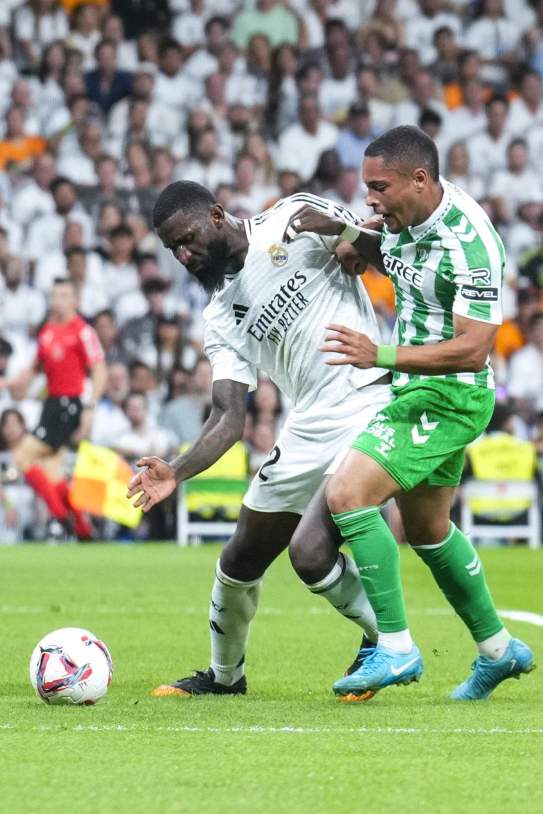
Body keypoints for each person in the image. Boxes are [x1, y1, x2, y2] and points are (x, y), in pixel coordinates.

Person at [283, 125, 534, 702]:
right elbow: (394, 257)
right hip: (416, 389)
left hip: (450, 394)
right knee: (427, 529)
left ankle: (395, 648)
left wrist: (382, 355)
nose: (369, 198)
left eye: (379, 187)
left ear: (420, 179)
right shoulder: (408, 217)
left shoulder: (470, 243)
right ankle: (498, 650)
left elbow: (475, 346)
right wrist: (349, 233)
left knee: (349, 496)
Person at [127, 179, 392, 696]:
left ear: (217, 215)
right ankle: (226, 679)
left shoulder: (294, 217)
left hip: (368, 402)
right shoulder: (220, 315)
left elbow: (387, 255)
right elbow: (229, 416)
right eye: (173, 249)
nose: (184, 255)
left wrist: (344, 231)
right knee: (240, 560)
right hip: (309, 425)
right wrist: (176, 472)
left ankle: (389, 641)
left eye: (187, 238)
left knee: (317, 553)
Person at [0, 278, 107, 540]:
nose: (57, 299)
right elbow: (35, 368)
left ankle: (60, 516)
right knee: (52, 472)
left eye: (63, 294)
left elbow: (99, 369)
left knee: (22, 457)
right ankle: (83, 530)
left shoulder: (83, 331)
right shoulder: (47, 330)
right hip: (52, 404)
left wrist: (90, 407)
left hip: (68, 404)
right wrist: (9, 382)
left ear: (75, 301)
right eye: (54, 294)